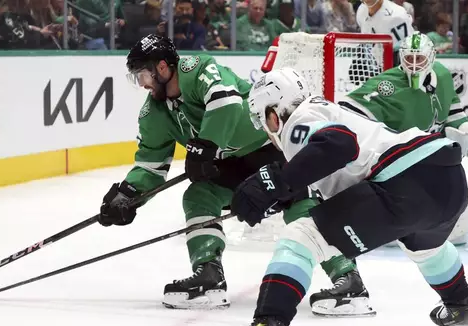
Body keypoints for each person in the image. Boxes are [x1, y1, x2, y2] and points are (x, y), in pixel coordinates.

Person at [199, 68, 468, 326]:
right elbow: (336, 169)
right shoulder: (327, 110)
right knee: (426, 247)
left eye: (263, 120)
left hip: (403, 181)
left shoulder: (298, 120)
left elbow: (339, 145)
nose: (268, 130)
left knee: (302, 237)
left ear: (274, 113)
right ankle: (463, 308)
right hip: (446, 180)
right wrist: (282, 191)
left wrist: (276, 182)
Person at [99, 34, 316, 310]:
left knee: (298, 199)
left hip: (267, 148)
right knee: (198, 196)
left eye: (143, 75)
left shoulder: (197, 69)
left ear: (163, 68)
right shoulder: (154, 113)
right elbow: (150, 166)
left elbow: (225, 102)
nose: (142, 84)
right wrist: (128, 194)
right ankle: (209, 276)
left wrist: (206, 144)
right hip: (229, 166)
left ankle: (348, 278)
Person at [340, 32, 468, 247]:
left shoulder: (443, 76)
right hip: (398, 162)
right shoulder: (387, 85)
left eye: (420, 59)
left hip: (432, 160)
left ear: (431, 58)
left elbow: (454, 114)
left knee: (458, 234)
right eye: (409, 59)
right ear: (402, 58)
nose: (414, 65)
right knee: (397, 233)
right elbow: (346, 110)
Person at [357, 0, 414, 65]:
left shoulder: (397, 15)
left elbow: (408, 54)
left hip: (392, 69)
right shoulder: (361, 10)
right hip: (372, 65)